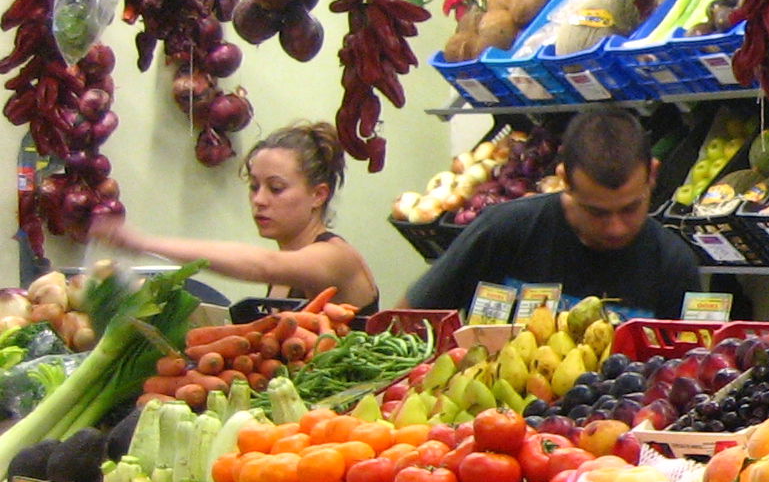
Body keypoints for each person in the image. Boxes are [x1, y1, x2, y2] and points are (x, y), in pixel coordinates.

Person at [406, 109, 703, 314]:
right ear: (564, 180)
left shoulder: (673, 266)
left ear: (652, 175)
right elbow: (408, 320)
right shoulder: (503, 231)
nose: (617, 228)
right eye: (597, 212)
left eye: (630, 208)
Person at [104, 123, 379, 310]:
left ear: (318, 195)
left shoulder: (336, 258)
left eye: (276, 188)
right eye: (254, 187)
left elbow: (262, 265)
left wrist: (145, 244)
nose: (259, 200)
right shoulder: (286, 268)